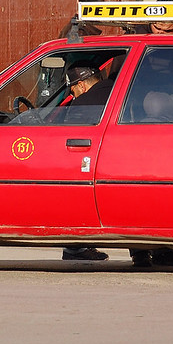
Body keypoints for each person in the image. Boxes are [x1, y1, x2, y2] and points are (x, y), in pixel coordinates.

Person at [61, 63, 113, 261]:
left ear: (81, 86)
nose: (74, 95)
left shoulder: (82, 104)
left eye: (73, 90)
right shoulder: (117, 89)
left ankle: (76, 248)